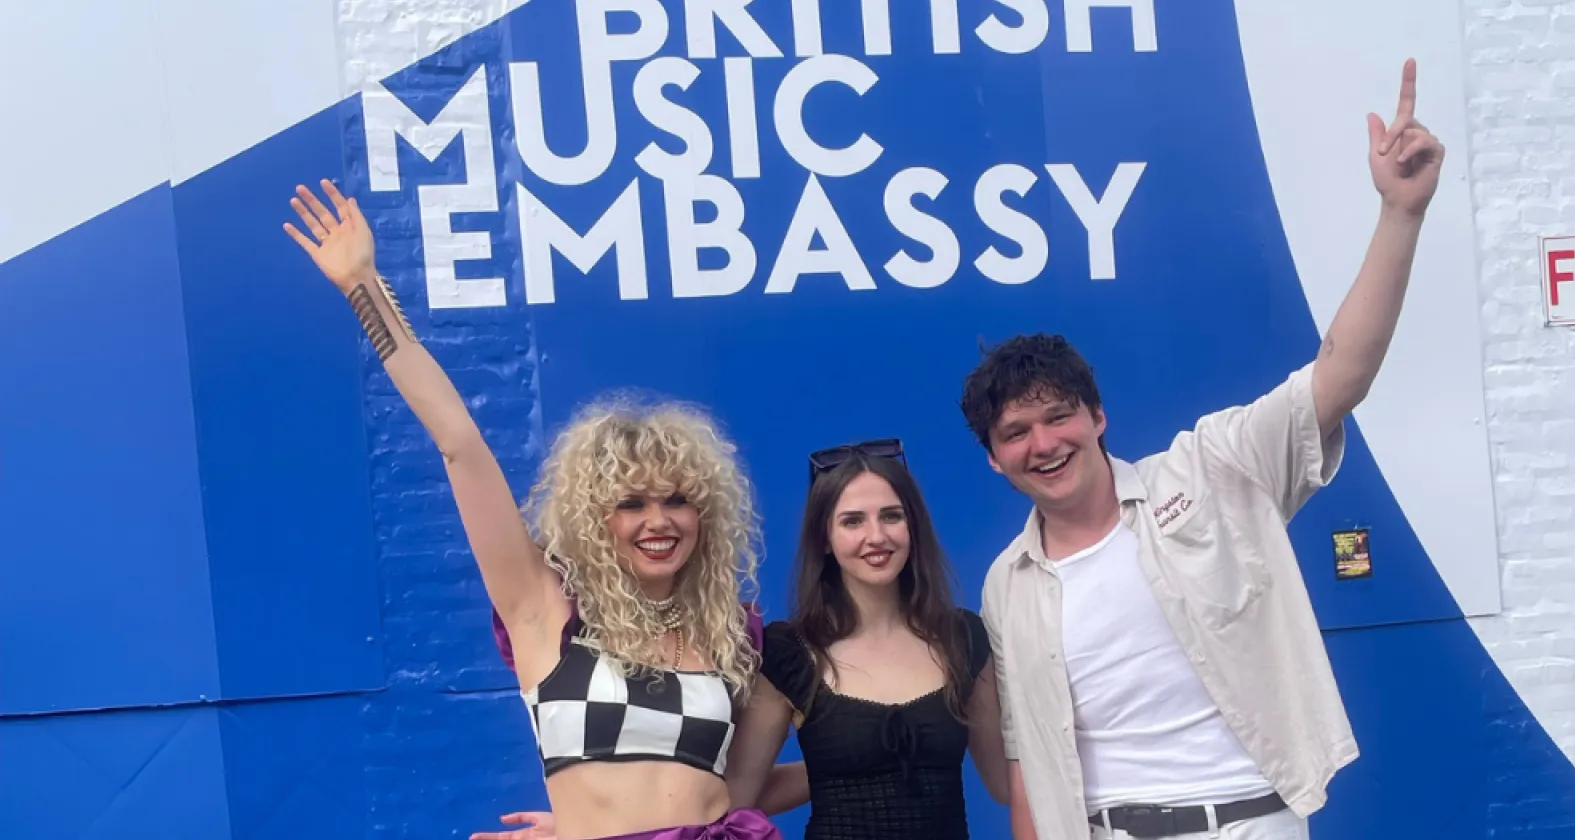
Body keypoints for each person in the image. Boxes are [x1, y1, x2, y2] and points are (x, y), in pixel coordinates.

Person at [962, 58, 1446, 840]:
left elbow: (1339, 377)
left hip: (1249, 823)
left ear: (1098, 417)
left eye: (1058, 417)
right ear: (993, 457)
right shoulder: (1005, 584)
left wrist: (1401, 214)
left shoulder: (1211, 469)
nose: (1043, 444)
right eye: (1015, 433)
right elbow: (1030, 761)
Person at [281, 181, 783, 840]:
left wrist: (880, 759)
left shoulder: (729, 635)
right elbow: (459, 442)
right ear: (595, 519)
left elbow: (742, 792)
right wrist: (362, 286)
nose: (657, 521)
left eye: (677, 500)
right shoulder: (544, 611)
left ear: (705, 513)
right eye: (630, 504)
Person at [476, 439, 1012, 840]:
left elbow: (1007, 781)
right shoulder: (791, 654)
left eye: (891, 516)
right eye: (852, 521)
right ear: (825, 539)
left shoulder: (963, 639)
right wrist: (592, 826)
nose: (876, 535)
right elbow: (734, 792)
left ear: (913, 526)